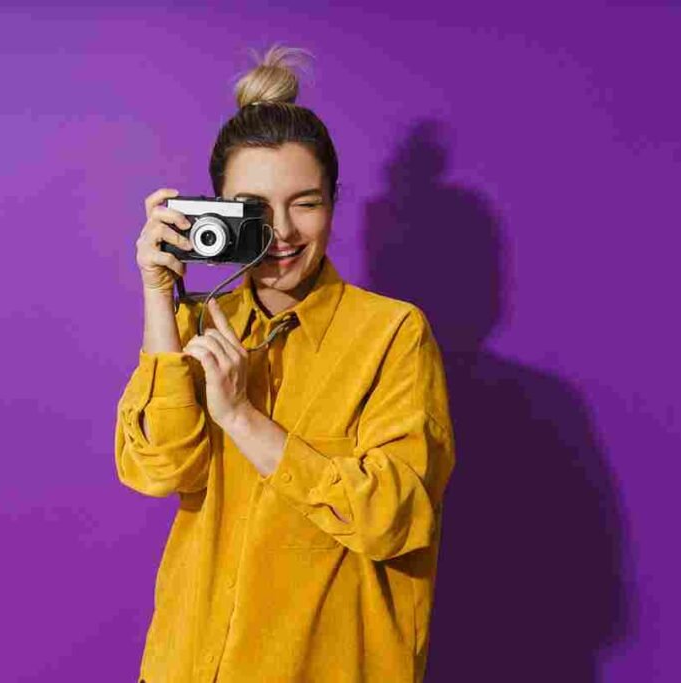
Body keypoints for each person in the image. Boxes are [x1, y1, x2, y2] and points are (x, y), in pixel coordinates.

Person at [115, 44, 456, 683]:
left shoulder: (393, 335)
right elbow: (157, 469)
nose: (281, 232)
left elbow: (396, 518)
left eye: (306, 202)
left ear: (334, 203)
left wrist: (243, 419)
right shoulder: (198, 324)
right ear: (216, 207)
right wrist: (160, 300)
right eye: (253, 206)